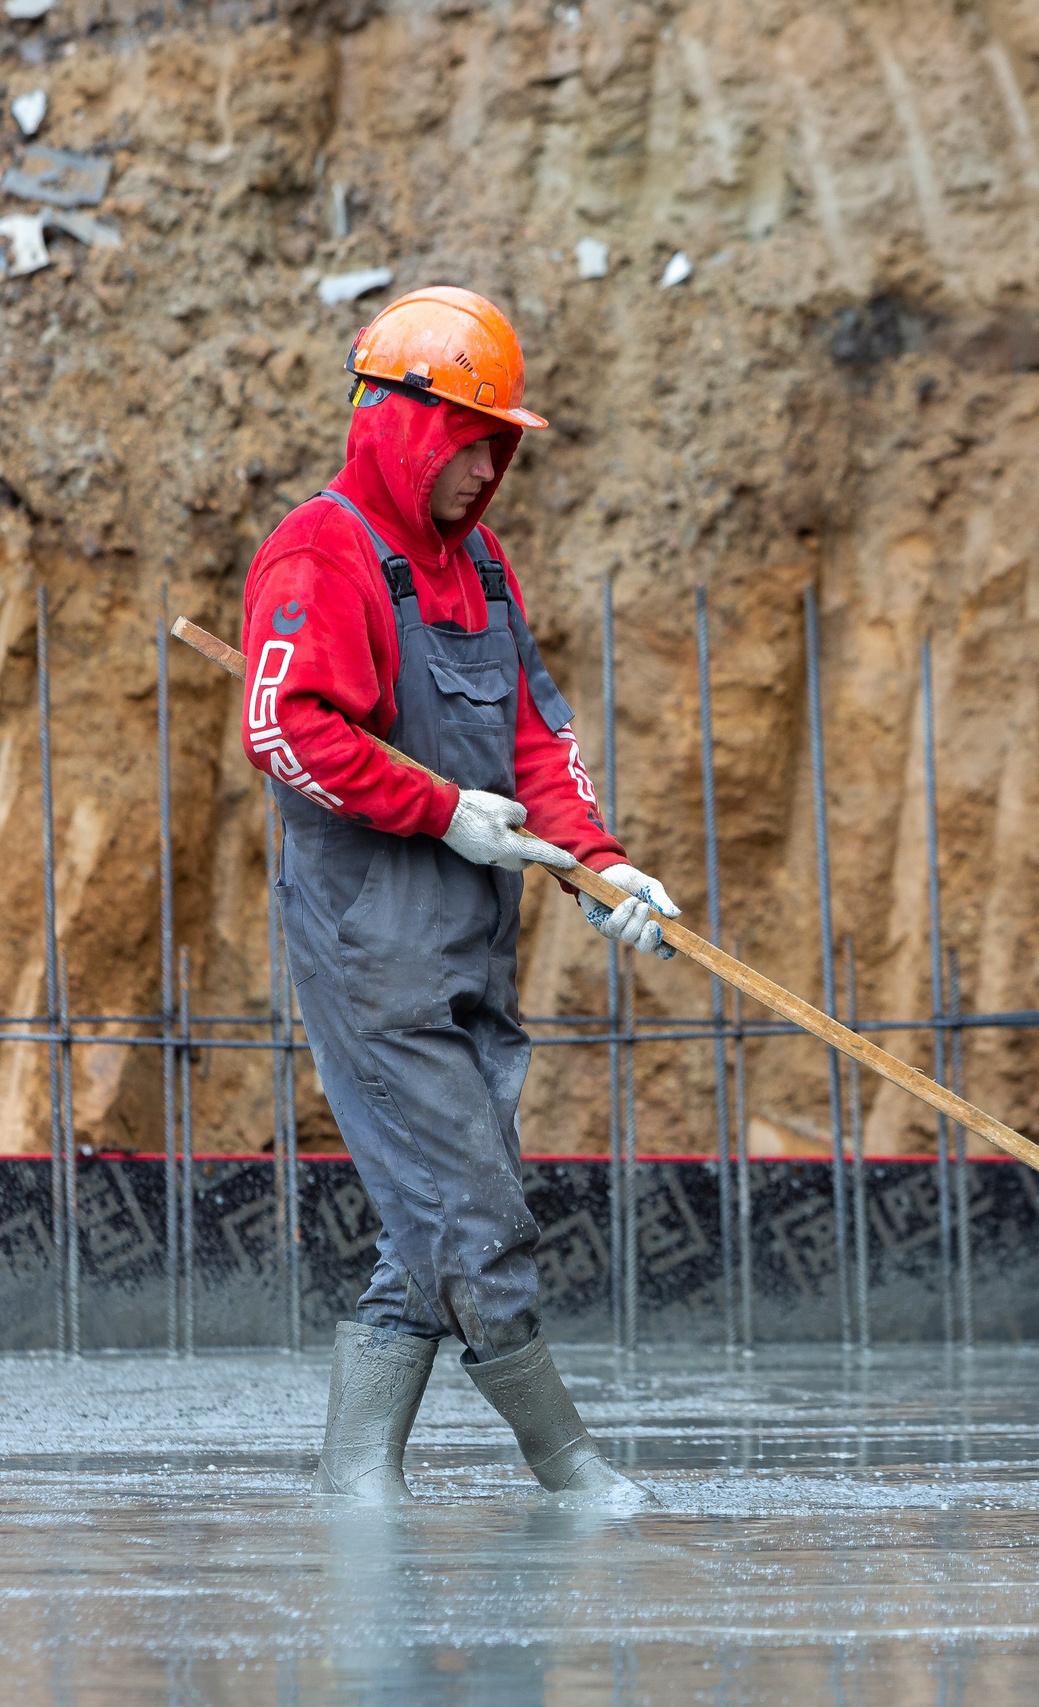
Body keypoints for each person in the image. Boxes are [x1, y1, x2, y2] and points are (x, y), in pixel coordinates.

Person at [238, 286, 676, 1508]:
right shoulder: (320, 551)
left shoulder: (481, 565)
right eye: (471, 442)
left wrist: (599, 863)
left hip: (473, 947)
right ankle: (567, 1465)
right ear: (403, 424)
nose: (488, 470)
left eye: (502, 446)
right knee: (473, 1211)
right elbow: (282, 726)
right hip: (373, 954)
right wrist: (439, 808)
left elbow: (538, 733)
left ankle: (355, 1474)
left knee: (426, 1211)